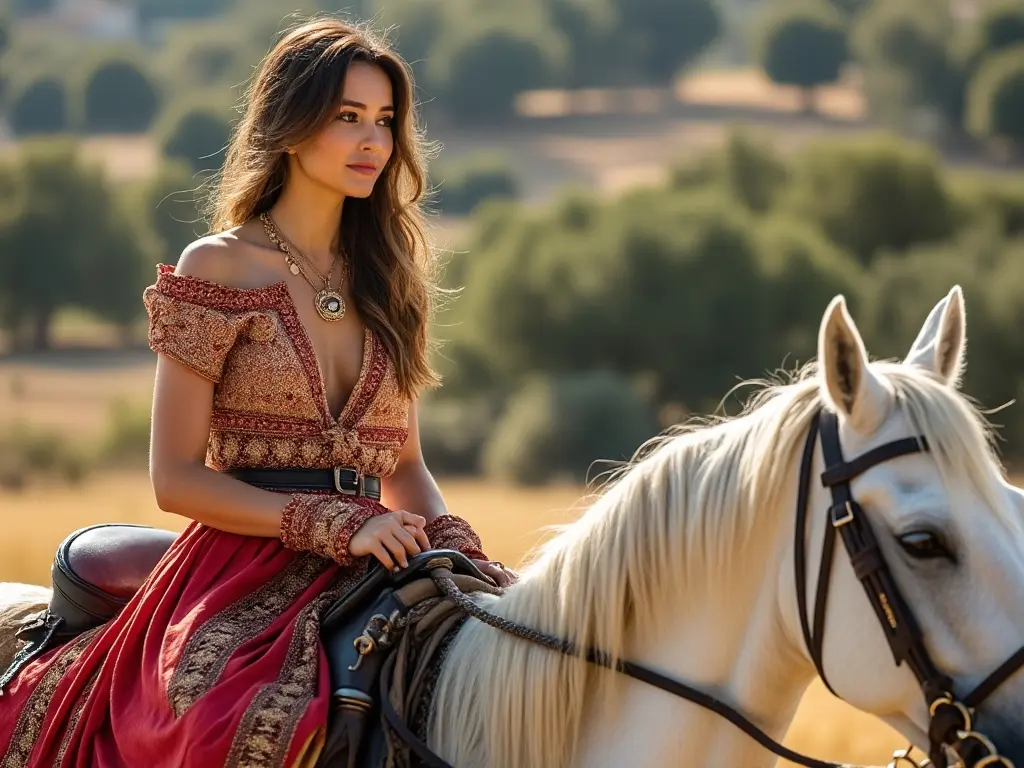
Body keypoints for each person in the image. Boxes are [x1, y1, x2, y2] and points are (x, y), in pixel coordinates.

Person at [0, 17, 513, 767]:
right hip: (239, 564)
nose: (374, 140)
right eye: (348, 118)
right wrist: (333, 524)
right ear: (291, 126)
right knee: (217, 724)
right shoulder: (220, 266)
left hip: (373, 561)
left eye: (385, 121)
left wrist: (458, 548)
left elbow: (402, 466)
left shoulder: (391, 278)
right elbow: (173, 479)